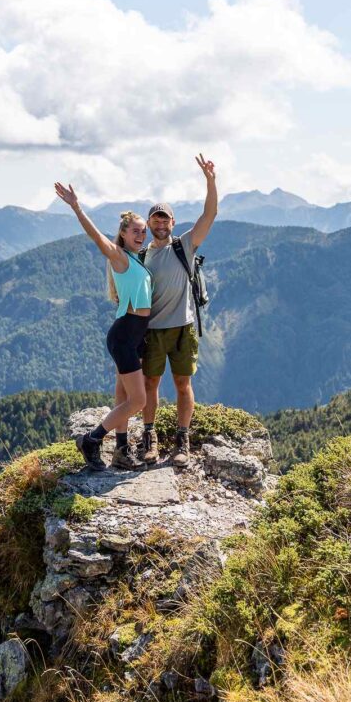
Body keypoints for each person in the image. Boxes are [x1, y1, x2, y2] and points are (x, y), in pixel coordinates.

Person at [54, 181, 152, 471]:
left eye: (143, 231)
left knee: (123, 395)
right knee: (138, 400)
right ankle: (92, 439)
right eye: (135, 230)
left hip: (134, 335)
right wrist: (76, 206)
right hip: (124, 335)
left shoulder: (136, 260)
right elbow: (97, 237)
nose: (141, 235)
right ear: (122, 234)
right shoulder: (120, 257)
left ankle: (121, 449)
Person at [140, 154, 218, 468]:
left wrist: (210, 181)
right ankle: (150, 437)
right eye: (155, 219)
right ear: (148, 223)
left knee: (183, 385)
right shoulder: (141, 255)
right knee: (150, 386)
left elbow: (209, 214)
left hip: (183, 327)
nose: (160, 223)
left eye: (165, 219)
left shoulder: (183, 245)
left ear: (173, 223)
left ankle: (182, 440)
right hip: (153, 330)